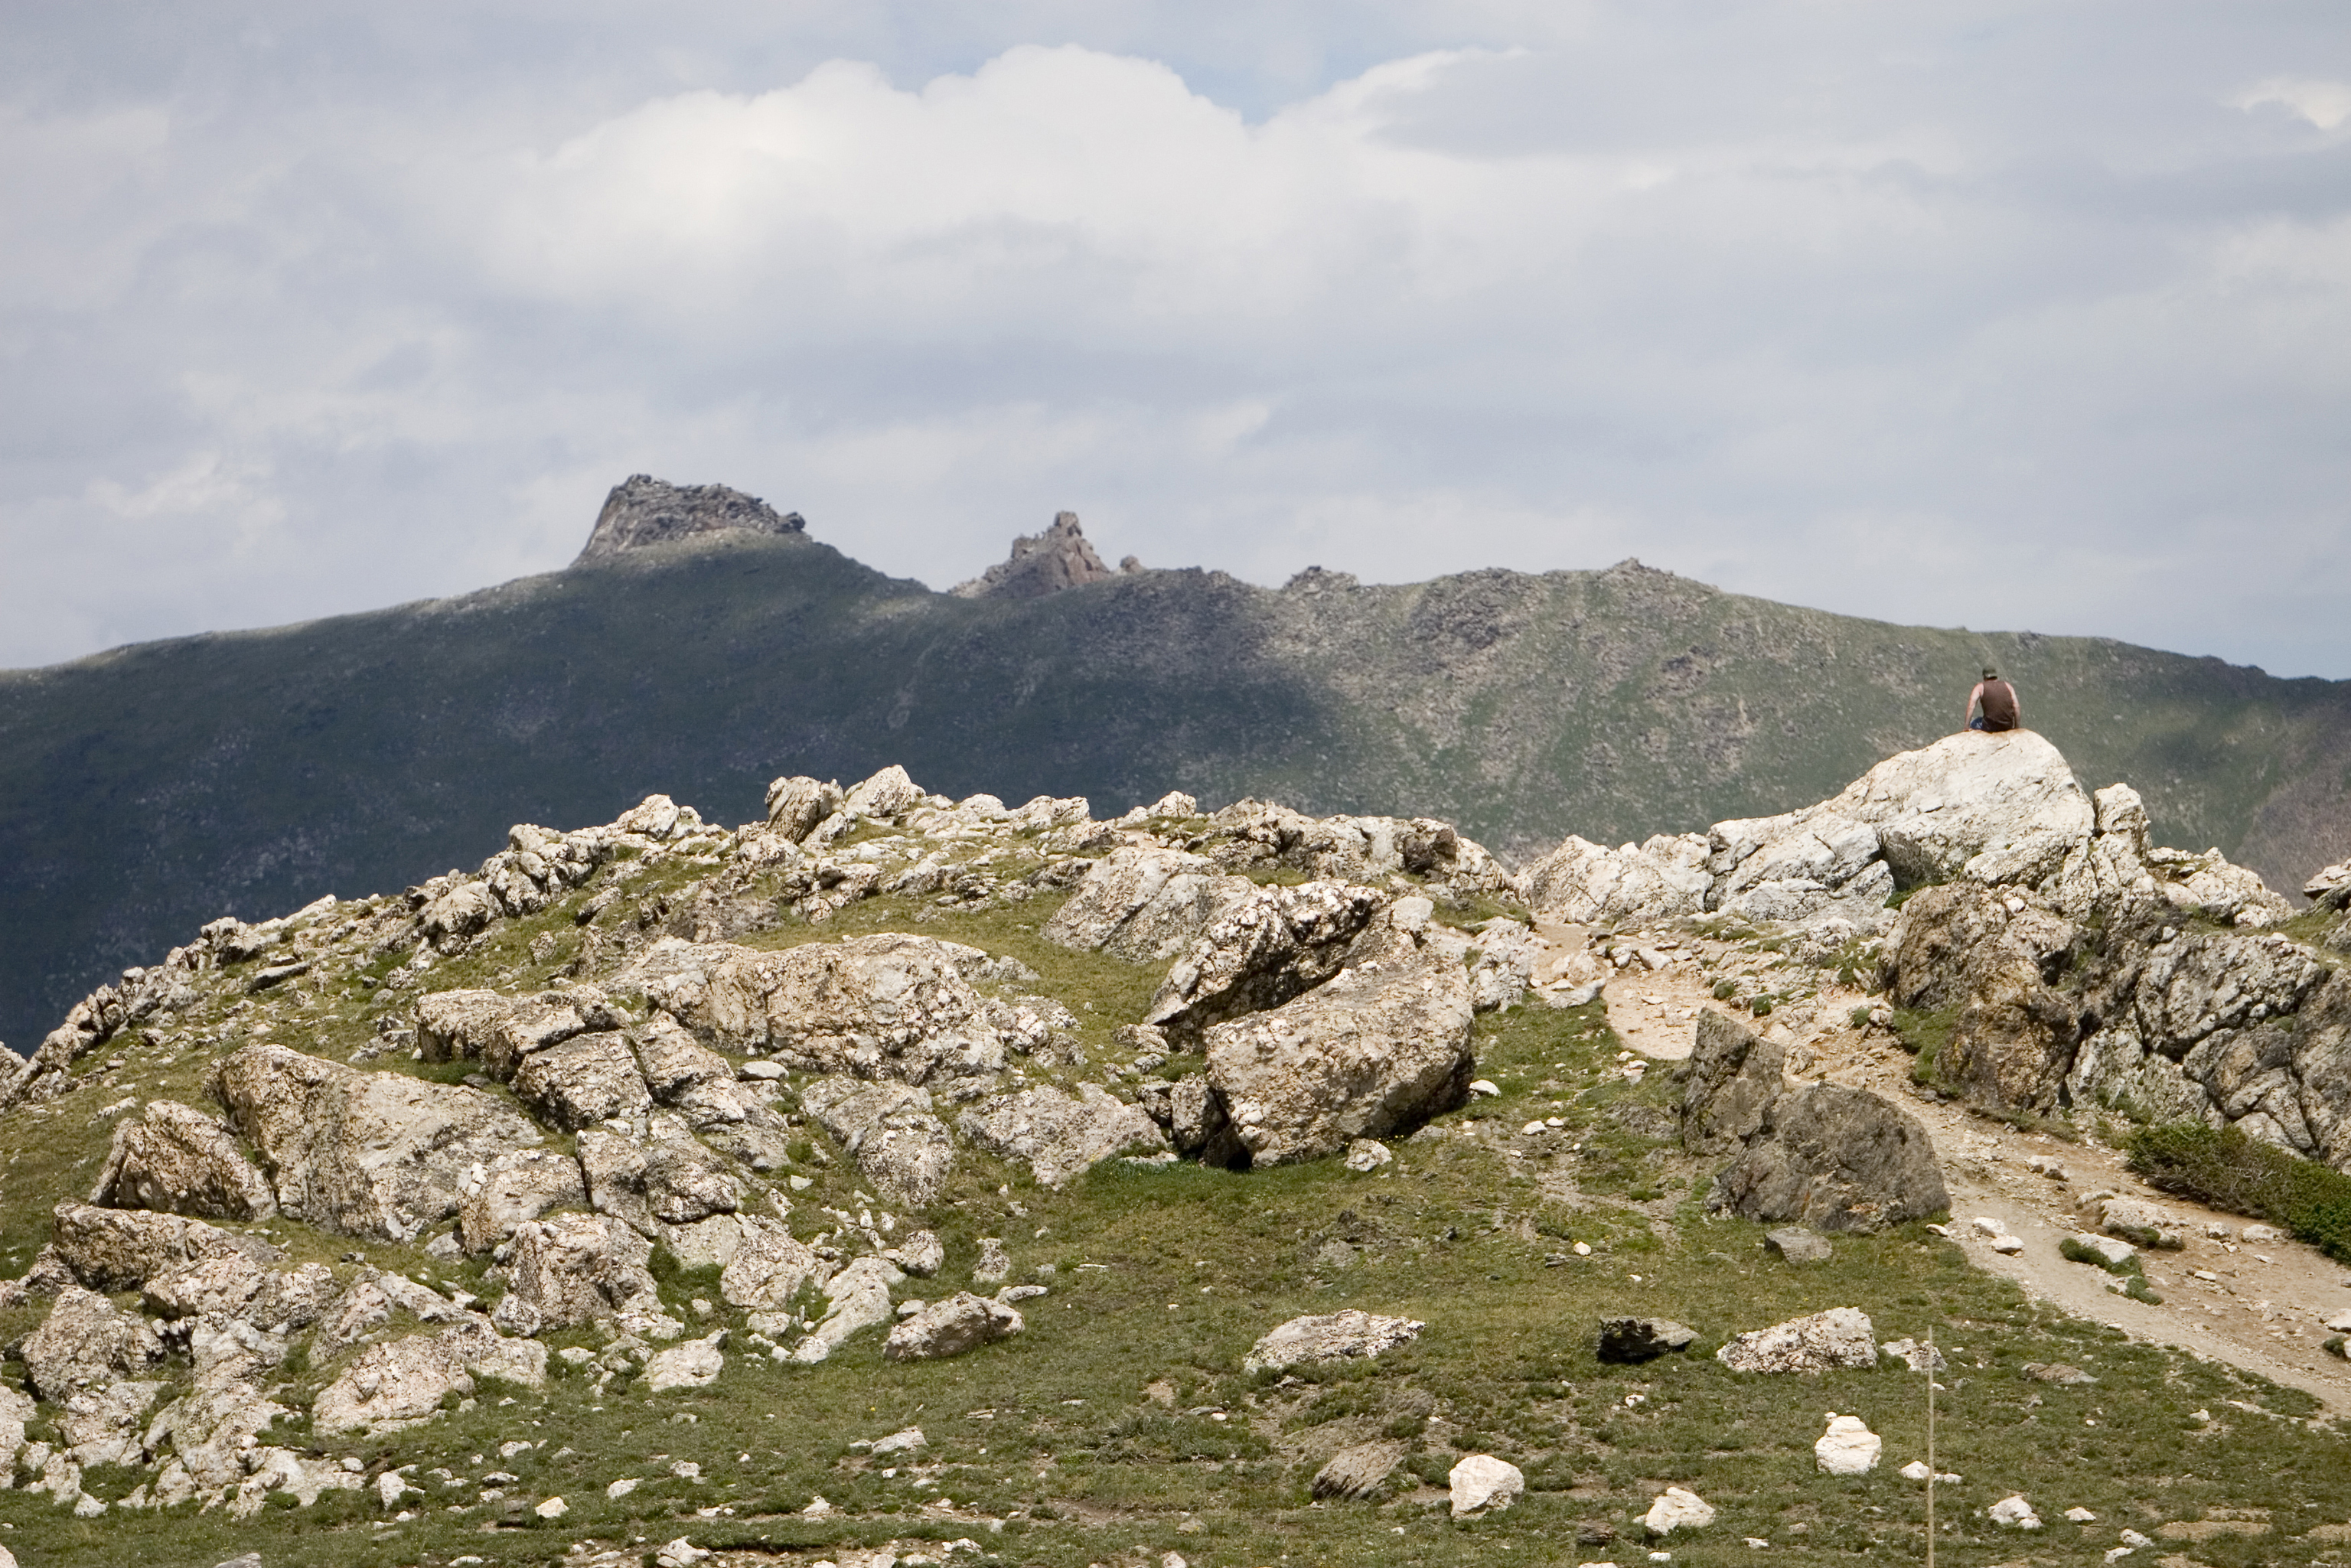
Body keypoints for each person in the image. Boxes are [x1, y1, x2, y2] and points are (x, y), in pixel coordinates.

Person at [1964, 665, 2020, 732]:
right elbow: (2016, 706)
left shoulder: (1980, 687)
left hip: (1990, 727)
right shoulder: (2008, 686)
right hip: (2007, 726)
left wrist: (1966, 726)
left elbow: (1971, 706)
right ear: (1996, 676)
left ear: (1984, 677)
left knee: (1973, 723)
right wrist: (2017, 727)